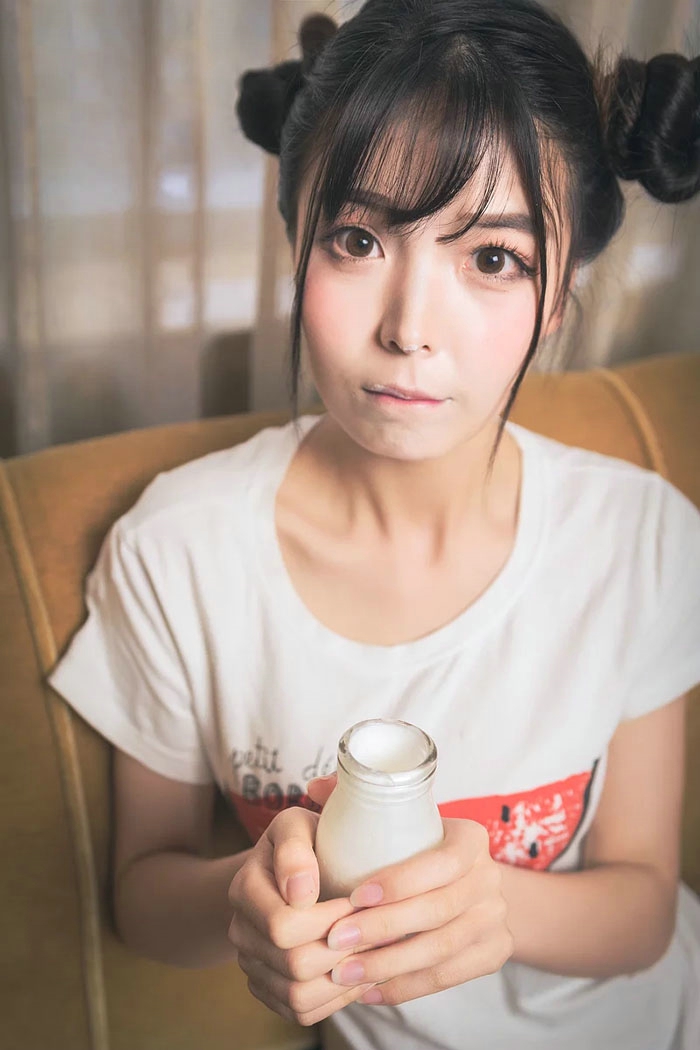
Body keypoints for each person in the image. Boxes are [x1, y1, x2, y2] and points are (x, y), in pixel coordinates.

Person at [48, 1, 700, 1047]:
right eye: (357, 240)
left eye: (493, 259)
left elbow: (644, 914)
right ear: (292, 244)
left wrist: (492, 903)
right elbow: (142, 898)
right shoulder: (178, 553)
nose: (408, 329)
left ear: (558, 298)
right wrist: (244, 898)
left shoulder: (641, 540)